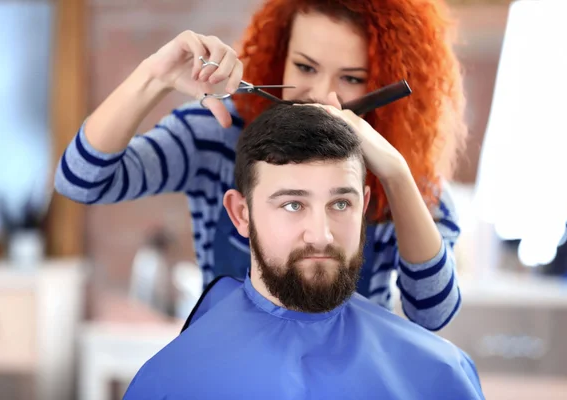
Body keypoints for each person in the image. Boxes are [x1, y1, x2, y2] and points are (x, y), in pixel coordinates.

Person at [54, 0, 466, 330]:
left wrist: (395, 174)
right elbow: (81, 181)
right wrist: (153, 77)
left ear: (382, 80)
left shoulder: (403, 171)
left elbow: (433, 313)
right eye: (305, 67)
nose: (322, 96)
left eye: (352, 78)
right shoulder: (215, 134)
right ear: (278, 56)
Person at [122, 103, 484, 400]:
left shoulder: (437, 374)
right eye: (293, 205)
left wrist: (398, 173)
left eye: (341, 204)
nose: (322, 235)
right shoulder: (174, 381)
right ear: (241, 214)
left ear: (364, 206)